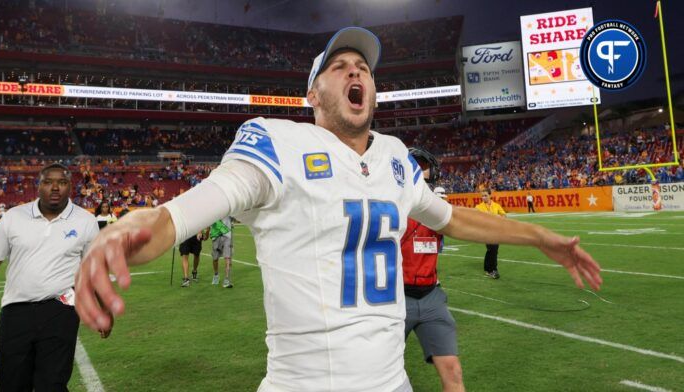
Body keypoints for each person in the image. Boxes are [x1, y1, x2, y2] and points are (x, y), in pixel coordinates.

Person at [73, 27, 602, 392]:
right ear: (313, 92)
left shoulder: (396, 157)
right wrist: (122, 232)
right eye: (340, 65)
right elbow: (178, 213)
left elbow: (455, 218)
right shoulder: (276, 143)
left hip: (392, 381)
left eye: (364, 68)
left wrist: (539, 236)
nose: (357, 72)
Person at [0, 163, 99, 391]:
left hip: (61, 311)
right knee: (11, 382)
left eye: (62, 182)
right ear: (38, 186)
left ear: (71, 187)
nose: (55, 187)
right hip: (16, 311)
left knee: (52, 383)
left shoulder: (85, 221)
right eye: (48, 182)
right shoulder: (13, 217)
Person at [402, 148, 464, 391]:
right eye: (414, 165)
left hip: (431, 295)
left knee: (453, 370)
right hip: (396, 298)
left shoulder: (437, 207)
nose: (420, 170)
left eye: (422, 165)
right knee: (382, 371)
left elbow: (453, 231)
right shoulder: (394, 206)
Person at [475, 189, 507, 279]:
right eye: (482, 196)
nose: (483, 197)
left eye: (485, 195)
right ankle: (493, 270)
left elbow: (504, 216)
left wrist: (498, 216)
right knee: (493, 249)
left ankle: (487, 268)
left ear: (490, 195)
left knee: (492, 250)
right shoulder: (478, 207)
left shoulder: (496, 205)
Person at [209, 217, 233, 287]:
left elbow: (237, 216)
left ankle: (226, 279)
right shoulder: (214, 210)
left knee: (227, 257)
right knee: (215, 259)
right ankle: (216, 275)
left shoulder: (230, 209)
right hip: (215, 235)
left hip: (227, 235)